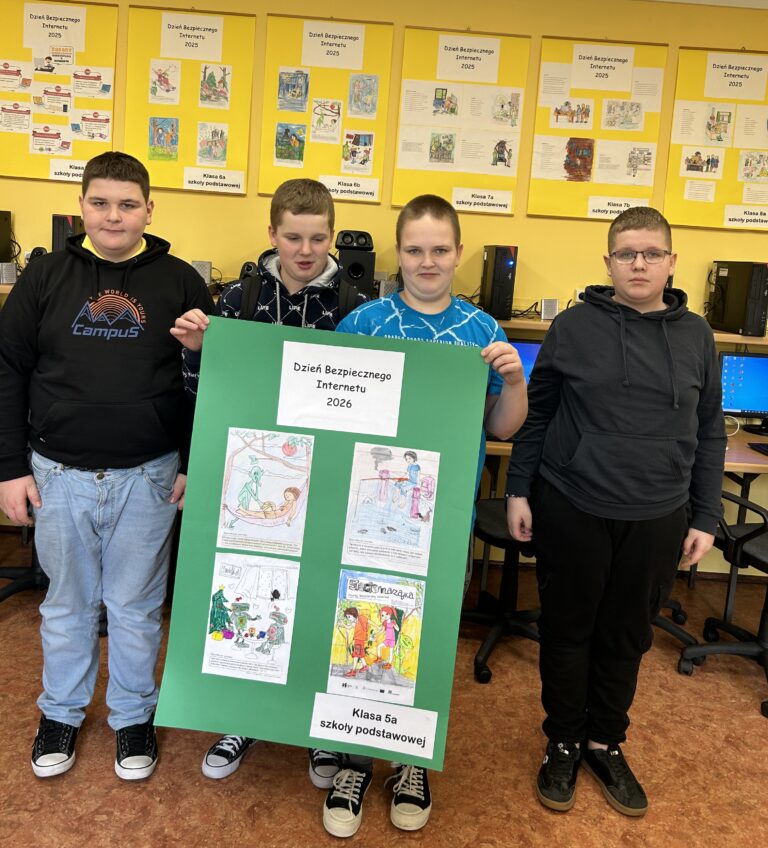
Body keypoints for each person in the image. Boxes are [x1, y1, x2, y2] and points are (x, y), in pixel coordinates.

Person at [505, 206, 726, 818]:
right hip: (572, 502)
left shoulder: (698, 336)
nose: (639, 264)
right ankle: (563, 740)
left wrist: (705, 515)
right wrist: (519, 488)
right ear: (608, 262)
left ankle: (604, 741)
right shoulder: (574, 326)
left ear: (672, 262)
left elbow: (710, 430)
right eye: (627, 253)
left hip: (658, 513)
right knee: (568, 631)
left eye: (651, 253)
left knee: (627, 637)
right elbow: (539, 412)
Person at [0, 151, 214, 781]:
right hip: (56, 473)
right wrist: (9, 467)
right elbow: (8, 370)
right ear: (81, 207)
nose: (113, 216)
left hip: (150, 475)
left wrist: (194, 460)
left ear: (149, 209)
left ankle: (133, 715)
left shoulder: (181, 282)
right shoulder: (44, 276)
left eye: (127, 204)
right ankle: (61, 712)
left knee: (135, 606)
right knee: (66, 604)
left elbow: (208, 382)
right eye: (100, 203)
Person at [324, 194, 528, 837]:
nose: (427, 261)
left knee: (424, 638)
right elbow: (330, 416)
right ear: (399, 253)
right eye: (415, 249)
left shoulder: (483, 332)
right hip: (367, 516)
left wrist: (514, 382)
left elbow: (502, 427)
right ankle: (355, 759)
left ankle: (410, 760)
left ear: (459, 253)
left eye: (440, 249)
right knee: (360, 635)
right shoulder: (363, 324)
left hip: (440, 518)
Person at [170, 177, 366, 785]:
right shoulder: (239, 297)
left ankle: (317, 731)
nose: (305, 250)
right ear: (272, 234)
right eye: (292, 237)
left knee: (318, 597)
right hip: (254, 474)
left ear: (333, 237)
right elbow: (204, 393)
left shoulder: (357, 305)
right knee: (254, 591)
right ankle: (243, 715)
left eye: (318, 238)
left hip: (326, 476)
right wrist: (197, 352)